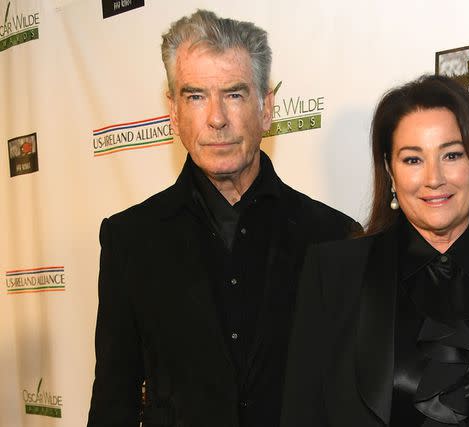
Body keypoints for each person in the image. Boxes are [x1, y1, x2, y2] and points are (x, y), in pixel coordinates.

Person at [87, 9, 358, 427]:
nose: (216, 118)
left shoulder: (333, 236)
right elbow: (113, 399)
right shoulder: (129, 239)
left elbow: (348, 397)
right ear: (174, 112)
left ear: (266, 108)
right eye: (196, 96)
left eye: (234, 94)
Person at [281, 75, 469, 427]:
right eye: (413, 160)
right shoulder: (332, 274)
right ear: (391, 173)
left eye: (452, 154)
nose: (434, 178)